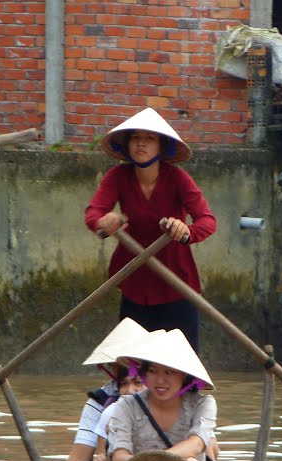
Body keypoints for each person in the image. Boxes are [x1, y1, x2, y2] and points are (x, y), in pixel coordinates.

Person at [85, 107, 217, 352]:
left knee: (181, 365)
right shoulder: (117, 177)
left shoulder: (177, 178)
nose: (141, 144)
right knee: (131, 365)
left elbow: (207, 221)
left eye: (149, 139)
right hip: (135, 281)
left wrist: (184, 231)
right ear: (127, 144)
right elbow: (93, 213)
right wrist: (104, 224)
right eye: (136, 138)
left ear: (161, 147)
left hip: (177, 282)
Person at [38, 318, 149, 461]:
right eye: (120, 364)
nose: (131, 389)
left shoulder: (170, 397)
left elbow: (204, 446)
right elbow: (81, 454)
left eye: (138, 382)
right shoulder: (102, 403)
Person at [103, 328, 220, 461]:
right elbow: (118, 458)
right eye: (152, 371)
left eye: (169, 372)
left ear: (184, 375)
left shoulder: (203, 404)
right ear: (144, 373)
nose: (160, 380)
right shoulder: (126, 405)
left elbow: (196, 444)